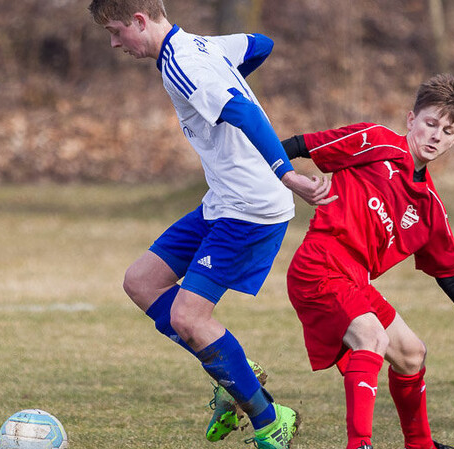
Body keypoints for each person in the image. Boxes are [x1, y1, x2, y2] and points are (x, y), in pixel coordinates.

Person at [87, 1, 336, 447]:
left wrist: (288, 174)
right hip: (222, 200)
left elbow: (242, 111)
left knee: (188, 316)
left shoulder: (185, 63)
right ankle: (233, 375)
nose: (113, 42)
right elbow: (261, 45)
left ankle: (268, 419)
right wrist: (227, 76)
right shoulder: (201, 46)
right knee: (141, 281)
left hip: (252, 208)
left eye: (116, 30)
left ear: (140, 21)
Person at [282, 74, 454, 449]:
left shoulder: (429, 208)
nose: (436, 136)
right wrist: (287, 177)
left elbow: (451, 279)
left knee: (412, 353)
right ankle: (359, 444)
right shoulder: (375, 142)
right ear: (411, 120)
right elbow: (295, 145)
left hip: (355, 281)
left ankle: (421, 445)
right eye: (430, 123)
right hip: (320, 265)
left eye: (447, 131)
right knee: (372, 337)